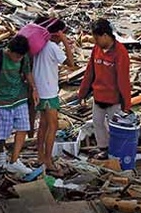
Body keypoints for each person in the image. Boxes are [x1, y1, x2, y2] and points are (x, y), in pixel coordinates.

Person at [0, 35, 39, 175]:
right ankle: (1, 154)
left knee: (23, 127)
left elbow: (27, 73)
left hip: (19, 96)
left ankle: (14, 160)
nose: (18, 59)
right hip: (2, 99)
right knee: (3, 131)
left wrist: (34, 89)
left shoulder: (23, 58)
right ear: (10, 51)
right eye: (17, 56)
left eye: (21, 56)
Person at [77, 19, 132, 160]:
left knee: (115, 129)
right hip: (98, 96)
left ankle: (115, 151)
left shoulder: (120, 53)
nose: (95, 41)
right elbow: (90, 72)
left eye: (97, 38)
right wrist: (82, 92)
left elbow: (123, 80)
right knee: (98, 123)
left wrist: (126, 104)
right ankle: (103, 149)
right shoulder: (97, 49)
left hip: (113, 99)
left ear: (106, 36)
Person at [32, 17, 75, 172]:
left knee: (43, 125)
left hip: (40, 90)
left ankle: (40, 156)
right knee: (53, 125)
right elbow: (71, 64)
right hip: (49, 91)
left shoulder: (39, 45)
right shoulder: (52, 47)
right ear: (57, 33)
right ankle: (48, 160)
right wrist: (65, 42)